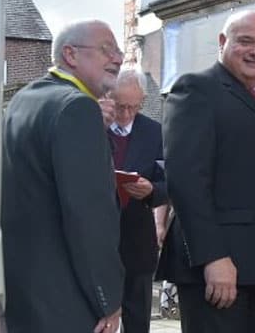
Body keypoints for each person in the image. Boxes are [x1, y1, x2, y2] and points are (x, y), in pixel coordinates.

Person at [157, 10, 255, 332]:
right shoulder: (196, 90)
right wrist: (213, 257)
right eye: (246, 41)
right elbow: (187, 181)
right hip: (219, 270)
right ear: (222, 42)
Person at [2, 19, 124, 333]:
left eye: (119, 51)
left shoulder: (23, 100)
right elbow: (89, 216)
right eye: (106, 49)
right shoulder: (78, 108)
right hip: (67, 298)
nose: (117, 59)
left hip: (21, 290)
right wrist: (108, 298)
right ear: (70, 55)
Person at [108, 68, 168, 333]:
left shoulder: (155, 132)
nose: (125, 115)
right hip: (97, 240)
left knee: (137, 321)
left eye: (133, 107)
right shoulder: (92, 127)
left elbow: (170, 184)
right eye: (120, 106)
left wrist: (151, 190)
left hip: (137, 242)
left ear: (142, 100)